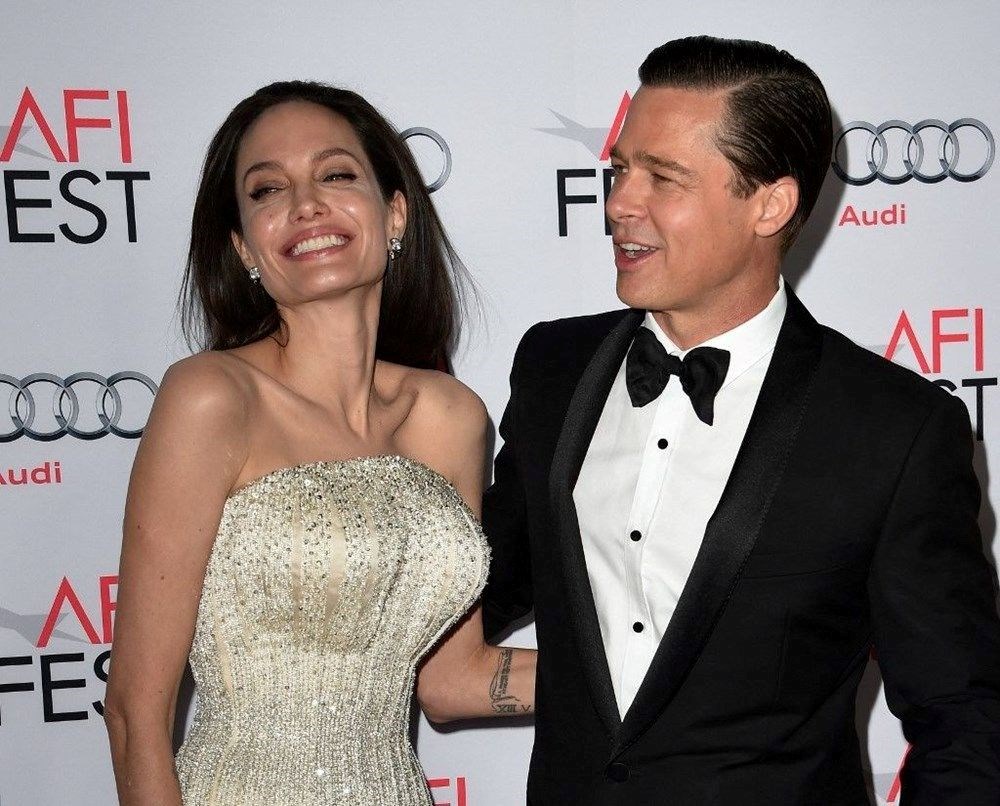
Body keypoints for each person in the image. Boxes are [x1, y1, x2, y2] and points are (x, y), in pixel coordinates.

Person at [482, 35, 1000, 805]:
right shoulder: (554, 368)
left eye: (664, 177)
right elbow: (482, 580)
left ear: (770, 205)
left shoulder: (895, 431)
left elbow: (963, 723)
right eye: (621, 169)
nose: (619, 203)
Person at [103, 80, 534, 806]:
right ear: (244, 245)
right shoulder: (211, 398)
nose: (305, 204)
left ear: (395, 212)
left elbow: (453, 681)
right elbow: (133, 716)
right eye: (268, 189)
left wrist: (666, 676)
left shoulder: (449, 415)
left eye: (335, 175)